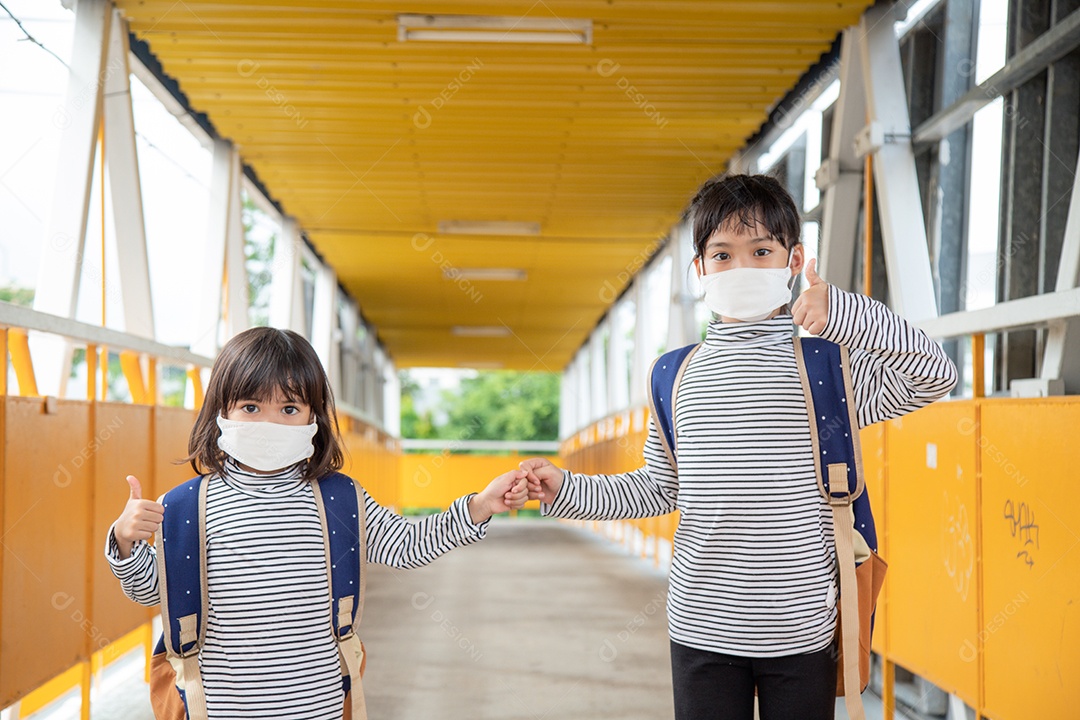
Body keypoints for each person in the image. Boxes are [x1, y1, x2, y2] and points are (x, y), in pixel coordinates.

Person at [521, 174, 957, 720]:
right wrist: (567, 488)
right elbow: (658, 488)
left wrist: (844, 312)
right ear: (701, 268)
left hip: (802, 629)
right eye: (722, 254)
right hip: (700, 626)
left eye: (761, 251)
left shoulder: (829, 368)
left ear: (794, 260)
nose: (741, 267)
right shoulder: (674, 376)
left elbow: (936, 375)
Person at [107, 326, 528, 719]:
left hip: (319, 703)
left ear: (314, 418)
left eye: (289, 408)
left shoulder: (339, 499)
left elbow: (406, 545)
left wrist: (479, 506)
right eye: (251, 407)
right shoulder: (185, 506)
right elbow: (154, 591)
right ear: (221, 411)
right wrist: (126, 543)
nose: (270, 423)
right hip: (218, 706)